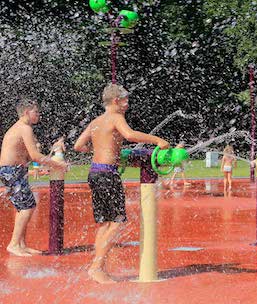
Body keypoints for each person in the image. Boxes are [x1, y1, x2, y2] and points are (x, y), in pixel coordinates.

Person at [74, 84, 169, 283]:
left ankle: (97, 266)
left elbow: (78, 146)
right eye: (125, 100)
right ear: (116, 101)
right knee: (117, 223)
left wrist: (101, 150)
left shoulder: (96, 121)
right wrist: (157, 140)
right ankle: (96, 267)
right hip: (108, 174)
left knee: (104, 223)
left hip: (95, 172)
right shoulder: (116, 117)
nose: (128, 104)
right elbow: (130, 135)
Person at [0, 99, 68, 256]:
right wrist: (58, 165)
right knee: (27, 207)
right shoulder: (24, 128)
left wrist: (50, 155)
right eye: (35, 112)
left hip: (13, 170)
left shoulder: (21, 128)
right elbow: (35, 155)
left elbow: (28, 157)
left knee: (23, 206)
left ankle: (21, 244)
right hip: (12, 171)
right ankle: (14, 244)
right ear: (26, 113)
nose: (39, 114)